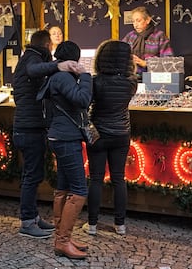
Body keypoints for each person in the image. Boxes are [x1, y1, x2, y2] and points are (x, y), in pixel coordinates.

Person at [12, 30, 84, 239]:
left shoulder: (31, 57)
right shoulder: (32, 59)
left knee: (32, 175)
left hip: (31, 126)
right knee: (31, 176)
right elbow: (34, 70)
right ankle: (27, 222)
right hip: (29, 128)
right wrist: (59, 66)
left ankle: (32, 217)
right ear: (47, 45)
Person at [43, 41, 92, 260]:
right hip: (66, 138)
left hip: (60, 136)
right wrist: (86, 77)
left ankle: (61, 237)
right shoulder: (63, 77)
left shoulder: (57, 75)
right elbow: (82, 99)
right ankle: (63, 241)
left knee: (63, 187)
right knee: (79, 190)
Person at [85, 40, 138, 236]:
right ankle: (120, 225)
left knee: (96, 179)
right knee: (118, 178)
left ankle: (91, 225)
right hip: (121, 133)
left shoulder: (94, 81)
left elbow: (86, 105)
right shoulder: (132, 82)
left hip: (98, 134)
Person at [121, 6, 173, 73]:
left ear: (148, 20)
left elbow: (169, 61)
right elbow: (120, 54)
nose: (135, 25)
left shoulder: (159, 36)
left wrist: (146, 63)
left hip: (152, 76)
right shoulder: (130, 36)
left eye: (138, 21)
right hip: (132, 76)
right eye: (133, 21)